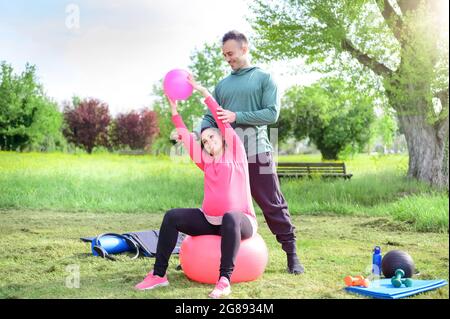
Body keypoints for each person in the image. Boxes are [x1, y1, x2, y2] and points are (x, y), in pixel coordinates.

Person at [135, 75, 258, 298]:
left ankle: (224, 280)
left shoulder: (236, 153)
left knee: (231, 216)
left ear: (222, 137)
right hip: (211, 221)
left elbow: (223, 121)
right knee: (172, 217)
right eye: (205, 142)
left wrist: (203, 92)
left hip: (240, 223)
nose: (208, 143)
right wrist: (173, 110)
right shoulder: (205, 161)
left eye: (211, 137)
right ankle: (159, 274)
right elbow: (184, 136)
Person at [199, 30, 304, 274]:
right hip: (227, 159)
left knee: (273, 204)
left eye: (231, 53)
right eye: (224, 55)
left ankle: (292, 255)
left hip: (258, 153)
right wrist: (206, 133)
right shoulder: (223, 85)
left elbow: (271, 114)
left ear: (244, 49)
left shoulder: (264, 79)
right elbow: (209, 116)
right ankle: (208, 257)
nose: (228, 59)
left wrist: (237, 116)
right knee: (219, 206)